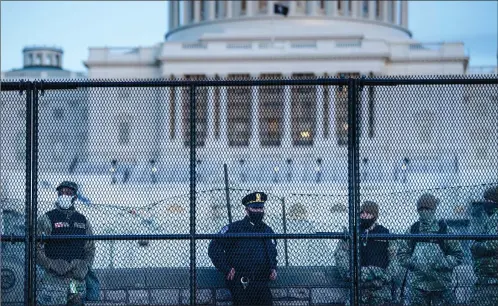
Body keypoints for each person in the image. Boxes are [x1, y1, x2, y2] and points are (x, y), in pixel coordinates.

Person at [208, 192, 278, 306]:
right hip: (241, 281)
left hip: (261, 281)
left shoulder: (267, 230)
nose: (258, 211)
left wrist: (273, 268)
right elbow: (214, 247)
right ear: (247, 210)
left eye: (260, 208)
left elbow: (272, 252)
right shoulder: (235, 228)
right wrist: (226, 268)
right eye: (255, 208)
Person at [397, 193, 464, 306]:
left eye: (427, 208)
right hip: (418, 285)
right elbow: (402, 255)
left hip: (441, 284)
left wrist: (441, 263)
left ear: (433, 209)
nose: (424, 211)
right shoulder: (413, 229)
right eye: (421, 208)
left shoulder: (444, 229)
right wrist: (415, 263)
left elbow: (458, 255)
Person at [36, 181, 96, 306]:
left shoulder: (83, 220)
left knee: (76, 302)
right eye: (62, 192)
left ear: (74, 197)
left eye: (69, 193)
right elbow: (36, 248)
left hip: (76, 281)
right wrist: (51, 264)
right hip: (54, 280)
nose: (64, 195)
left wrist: (84, 267)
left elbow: (90, 248)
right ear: (58, 194)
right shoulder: (47, 218)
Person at [334, 201, 397, 305]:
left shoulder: (385, 233)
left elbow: (394, 259)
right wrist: (349, 273)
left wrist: (385, 278)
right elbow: (340, 254)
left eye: (368, 213)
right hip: (357, 286)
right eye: (362, 213)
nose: (364, 215)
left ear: (374, 216)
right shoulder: (353, 232)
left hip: (380, 286)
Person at [470, 186, 498, 306]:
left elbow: (494, 244)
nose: (486, 203)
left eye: (489, 201)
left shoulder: (495, 218)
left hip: (492, 276)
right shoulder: (491, 219)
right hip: (487, 275)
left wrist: (476, 247)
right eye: (485, 200)